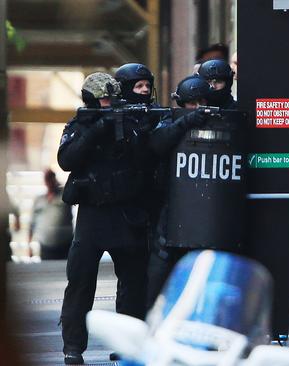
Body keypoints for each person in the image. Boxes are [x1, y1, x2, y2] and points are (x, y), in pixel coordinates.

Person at [58, 72, 152, 365]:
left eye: (112, 98)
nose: (109, 104)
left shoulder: (131, 120)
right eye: (103, 99)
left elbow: (147, 159)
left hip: (126, 213)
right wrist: (97, 129)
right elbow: (66, 159)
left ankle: (128, 345)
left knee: (133, 284)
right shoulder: (80, 124)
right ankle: (73, 347)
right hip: (93, 215)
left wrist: (130, 128)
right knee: (80, 282)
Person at [145, 75, 211, 308]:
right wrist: (187, 121)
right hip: (173, 208)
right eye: (191, 103)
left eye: (201, 102)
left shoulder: (220, 118)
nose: (197, 107)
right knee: (160, 269)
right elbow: (157, 144)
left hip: (208, 210)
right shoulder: (169, 119)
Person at [28, 169, 73, 260]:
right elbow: (31, 224)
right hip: (45, 247)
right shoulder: (39, 200)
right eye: (47, 179)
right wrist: (29, 245)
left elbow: (72, 190)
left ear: (54, 179)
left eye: (51, 178)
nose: (49, 181)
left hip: (65, 245)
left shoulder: (64, 196)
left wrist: (59, 185)